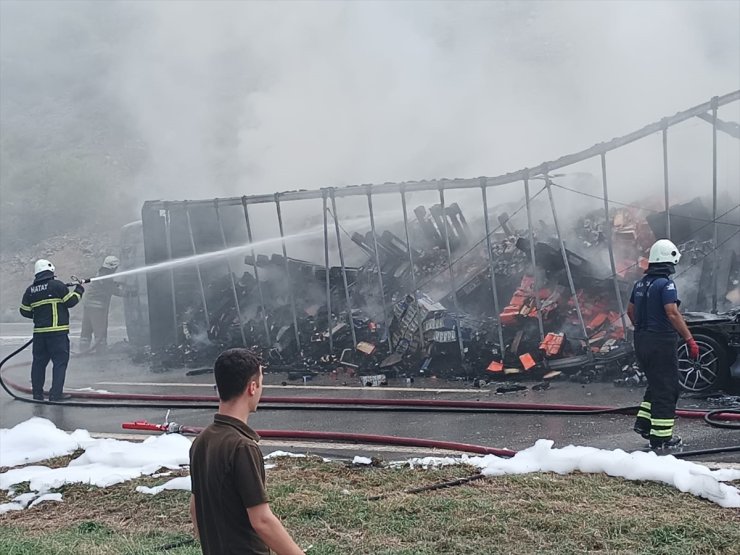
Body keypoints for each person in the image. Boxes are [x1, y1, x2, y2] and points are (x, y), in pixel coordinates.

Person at [189, 348, 304, 555]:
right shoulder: (242, 447)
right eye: (261, 383)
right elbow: (262, 520)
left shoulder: (202, 440)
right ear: (252, 387)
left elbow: (195, 506)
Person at [627, 239, 699, 450]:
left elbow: (630, 312)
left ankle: (644, 423)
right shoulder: (666, 284)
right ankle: (661, 438)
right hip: (661, 341)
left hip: (642, 340)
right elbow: (672, 313)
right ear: (669, 261)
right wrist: (689, 339)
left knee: (657, 383)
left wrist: (643, 329)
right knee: (668, 388)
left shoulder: (639, 284)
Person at [19, 259, 85, 401]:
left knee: (39, 363)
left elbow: (24, 311)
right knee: (60, 363)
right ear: (50, 271)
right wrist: (79, 290)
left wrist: (38, 314)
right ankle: (56, 394)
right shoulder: (57, 285)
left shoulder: (30, 290)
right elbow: (70, 302)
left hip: (39, 335)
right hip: (57, 334)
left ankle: (37, 394)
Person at [79, 255, 124, 353]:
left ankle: (83, 350)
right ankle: (101, 352)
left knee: (86, 330)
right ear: (114, 267)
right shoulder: (106, 277)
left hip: (88, 305)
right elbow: (113, 290)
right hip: (97, 308)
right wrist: (130, 294)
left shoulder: (102, 273)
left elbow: (107, 285)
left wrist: (118, 283)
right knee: (100, 332)